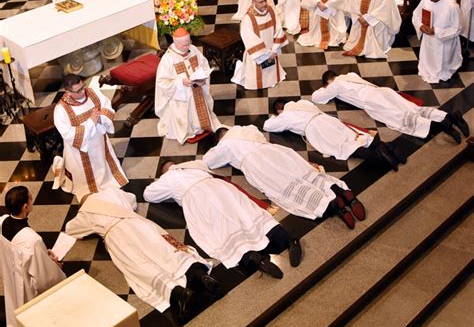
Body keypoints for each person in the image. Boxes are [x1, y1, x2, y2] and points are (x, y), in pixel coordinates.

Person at [65, 187, 216, 322]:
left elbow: (71, 229)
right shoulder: (111, 192)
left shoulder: (84, 212)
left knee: (140, 267)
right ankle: (197, 274)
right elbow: (131, 198)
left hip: (118, 236)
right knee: (166, 251)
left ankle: (178, 293)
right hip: (140, 224)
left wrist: (83, 213)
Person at [144, 160, 292, 278]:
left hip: (198, 198)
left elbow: (148, 194)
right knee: (247, 214)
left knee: (220, 231)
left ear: (164, 172)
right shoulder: (195, 165)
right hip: (221, 189)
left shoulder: (167, 179)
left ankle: (255, 259)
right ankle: (289, 240)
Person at [204, 125, 362, 229]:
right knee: (305, 174)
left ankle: (334, 206)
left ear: (219, 139)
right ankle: (343, 193)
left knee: (288, 187)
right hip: (276, 152)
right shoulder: (246, 129)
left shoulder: (224, 145)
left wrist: (217, 147)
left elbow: (208, 161)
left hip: (258, 164)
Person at [311, 70, 467, 144]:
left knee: (399, 118)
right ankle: (450, 117)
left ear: (329, 81)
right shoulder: (350, 75)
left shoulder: (335, 84)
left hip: (372, 100)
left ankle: (442, 125)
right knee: (412, 109)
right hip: (383, 91)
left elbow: (316, 97)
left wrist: (326, 87)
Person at [264, 99, 403, 172]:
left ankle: (380, 158)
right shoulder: (302, 102)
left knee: (344, 147)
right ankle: (388, 147)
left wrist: (276, 116)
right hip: (328, 120)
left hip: (317, 128)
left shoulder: (285, 115)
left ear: (278, 110)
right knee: (354, 136)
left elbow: (267, 126)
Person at [0, 186, 65, 327]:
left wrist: (42, 254)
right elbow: (44, 279)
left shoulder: (2, 222)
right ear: (25, 207)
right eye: (30, 197)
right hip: (25, 283)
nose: (32, 198)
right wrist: (54, 266)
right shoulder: (33, 240)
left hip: (10, 273)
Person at [53, 74, 128, 199]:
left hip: (99, 140)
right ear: (67, 92)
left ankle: (105, 178)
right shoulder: (61, 110)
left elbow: (106, 106)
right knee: (84, 179)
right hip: (80, 150)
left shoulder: (92, 93)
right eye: (78, 91)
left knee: (101, 163)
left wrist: (100, 119)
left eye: (83, 87)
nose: (83, 91)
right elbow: (68, 134)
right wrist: (91, 122)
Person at [155, 27, 221, 144]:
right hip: (181, 95)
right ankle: (190, 130)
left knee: (198, 103)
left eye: (189, 43)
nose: (188, 47)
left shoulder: (193, 49)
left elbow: (204, 65)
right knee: (188, 105)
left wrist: (203, 79)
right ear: (176, 43)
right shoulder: (168, 59)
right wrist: (181, 82)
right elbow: (162, 82)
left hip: (197, 89)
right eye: (184, 45)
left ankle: (202, 126)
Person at [232, 0, 287, 89]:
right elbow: (250, 40)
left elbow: (278, 29)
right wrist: (266, 54)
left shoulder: (271, 11)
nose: (265, 4)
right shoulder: (248, 18)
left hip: (272, 51)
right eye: (261, 2)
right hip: (258, 55)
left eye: (265, 0)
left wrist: (274, 50)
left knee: (272, 76)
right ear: (253, 2)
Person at [413, 0, 463, 85]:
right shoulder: (425, 1)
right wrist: (421, 26)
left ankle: (445, 70)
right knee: (427, 64)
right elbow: (415, 16)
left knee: (442, 69)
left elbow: (457, 28)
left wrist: (436, 31)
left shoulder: (452, 6)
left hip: (444, 43)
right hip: (428, 41)